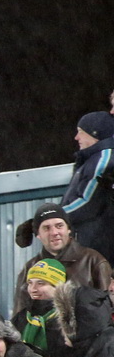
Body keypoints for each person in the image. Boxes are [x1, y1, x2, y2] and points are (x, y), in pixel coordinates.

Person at [13, 202, 114, 315]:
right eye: (46, 228)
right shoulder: (29, 268)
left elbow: (110, 309)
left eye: (59, 226)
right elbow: (19, 317)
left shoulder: (94, 261)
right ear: (38, 235)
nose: (54, 232)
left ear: (68, 229)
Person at [62, 112, 114, 263]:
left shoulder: (103, 160)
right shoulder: (92, 160)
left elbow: (86, 201)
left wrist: (53, 217)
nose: (76, 137)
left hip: (100, 248)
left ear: (95, 133)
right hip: (93, 245)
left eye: (80, 132)